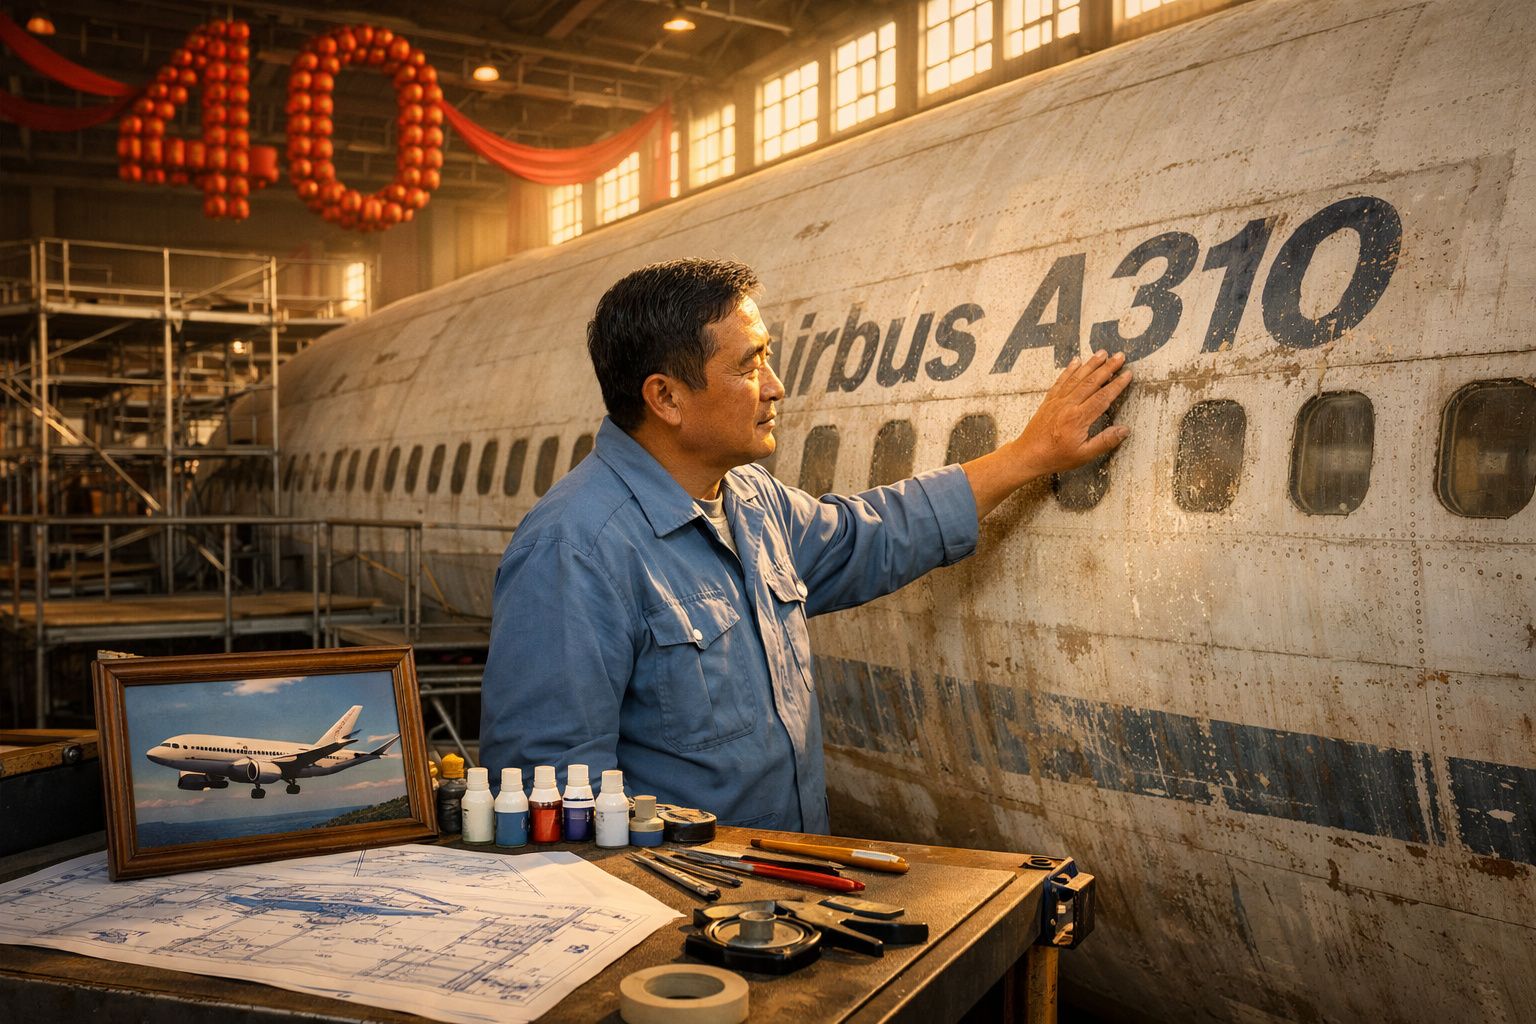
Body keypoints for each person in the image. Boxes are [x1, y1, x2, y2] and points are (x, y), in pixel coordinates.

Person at [479, 258, 1130, 833]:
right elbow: (552, 798)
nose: (775, 386)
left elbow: (869, 534)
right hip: (686, 914)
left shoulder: (749, 501)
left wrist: (1027, 457)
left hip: (781, 890)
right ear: (666, 397)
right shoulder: (576, 551)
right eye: (748, 364)